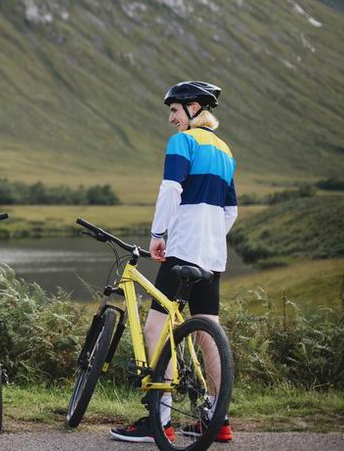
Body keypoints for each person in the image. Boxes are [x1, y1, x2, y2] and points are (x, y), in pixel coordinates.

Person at [111, 81, 236, 444]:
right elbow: (231, 210)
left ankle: (160, 418)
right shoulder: (225, 150)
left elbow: (171, 188)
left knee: (156, 329)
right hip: (212, 253)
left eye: (175, 111)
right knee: (207, 330)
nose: (171, 119)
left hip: (182, 247)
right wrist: (210, 234)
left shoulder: (184, 141)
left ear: (194, 108)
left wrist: (158, 233)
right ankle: (218, 417)